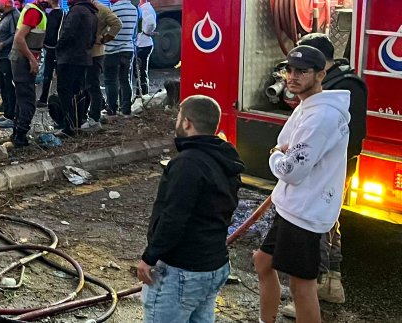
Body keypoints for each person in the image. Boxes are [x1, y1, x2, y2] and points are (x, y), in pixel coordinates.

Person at [254, 45, 350, 323]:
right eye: (289, 70)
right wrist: (282, 153)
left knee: (302, 285)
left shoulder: (321, 117)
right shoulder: (308, 107)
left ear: (321, 74)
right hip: (293, 205)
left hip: (304, 212)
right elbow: (287, 146)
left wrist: (275, 156)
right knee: (263, 261)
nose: (292, 77)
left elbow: (291, 170)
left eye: (302, 71)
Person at [137, 96, 244, 323]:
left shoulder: (187, 164)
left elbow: (174, 217)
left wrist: (150, 257)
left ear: (186, 123)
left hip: (182, 271)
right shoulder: (225, 159)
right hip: (214, 266)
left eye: (178, 117)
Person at [283, 33, 368, 315]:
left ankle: (317, 289)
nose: (294, 75)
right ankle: (330, 284)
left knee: (321, 230)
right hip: (329, 171)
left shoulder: (341, 89)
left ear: (321, 66)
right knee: (331, 225)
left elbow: (346, 137)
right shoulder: (342, 85)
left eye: (302, 68)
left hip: (327, 174)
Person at [9, 0, 52, 147]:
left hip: (20, 58)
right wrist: (32, 60)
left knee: (22, 98)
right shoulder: (34, 12)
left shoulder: (34, 11)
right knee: (28, 100)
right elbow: (19, 38)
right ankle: (20, 136)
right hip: (23, 60)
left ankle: (17, 134)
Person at [52, 0, 97, 136]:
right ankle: (78, 123)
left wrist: (57, 48)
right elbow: (93, 36)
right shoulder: (91, 11)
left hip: (69, 58)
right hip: (84, 57)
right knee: (79, 91)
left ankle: (69, 126)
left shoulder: (76, 11)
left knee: (65, 91)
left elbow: (67, 33)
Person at [80, 0, 120, 129]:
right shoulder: (83, 8)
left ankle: (95, 118)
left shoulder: (100, 9)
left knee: (93, 86)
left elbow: (117, 23)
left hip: (96, 53)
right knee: (85, 86)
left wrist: (104, 39)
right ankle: (84, 115)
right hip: (83, 54)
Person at [103, 0, 138, 117]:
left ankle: (112, 109)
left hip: (112, 51)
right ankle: (126, 110)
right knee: (125, 80)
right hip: (128, 50)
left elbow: (107, 29)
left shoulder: (113, 10)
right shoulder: (134, 9)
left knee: (110, 80)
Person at [0, 0, 19, 117]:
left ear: (7, 4)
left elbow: (15, 35)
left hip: (7, 57)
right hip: (1, 58)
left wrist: (3, 44)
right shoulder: (6, 16)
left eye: (0, 3)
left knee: (9, 87)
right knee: (3, 85)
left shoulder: (13, 16)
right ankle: (6, 111)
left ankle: (10, 115)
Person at [38, 0, 63, 108]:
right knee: (60, 75)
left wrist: (45, 44)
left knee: (48, 75)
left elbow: (50, 32)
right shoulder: (64, 12)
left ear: (51, 1)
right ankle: (60, 97)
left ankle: (44, 98)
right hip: (61, 49)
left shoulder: (52, 15)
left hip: (52, 49)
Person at [132, 0, 157, 97]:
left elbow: (151, 23)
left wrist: (146, 32)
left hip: (143, 44)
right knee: (139, 71)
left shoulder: (145, 9)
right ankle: (141, 94)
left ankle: (142, 95)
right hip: (143, 43)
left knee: (140, 72)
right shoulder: (143, 8)